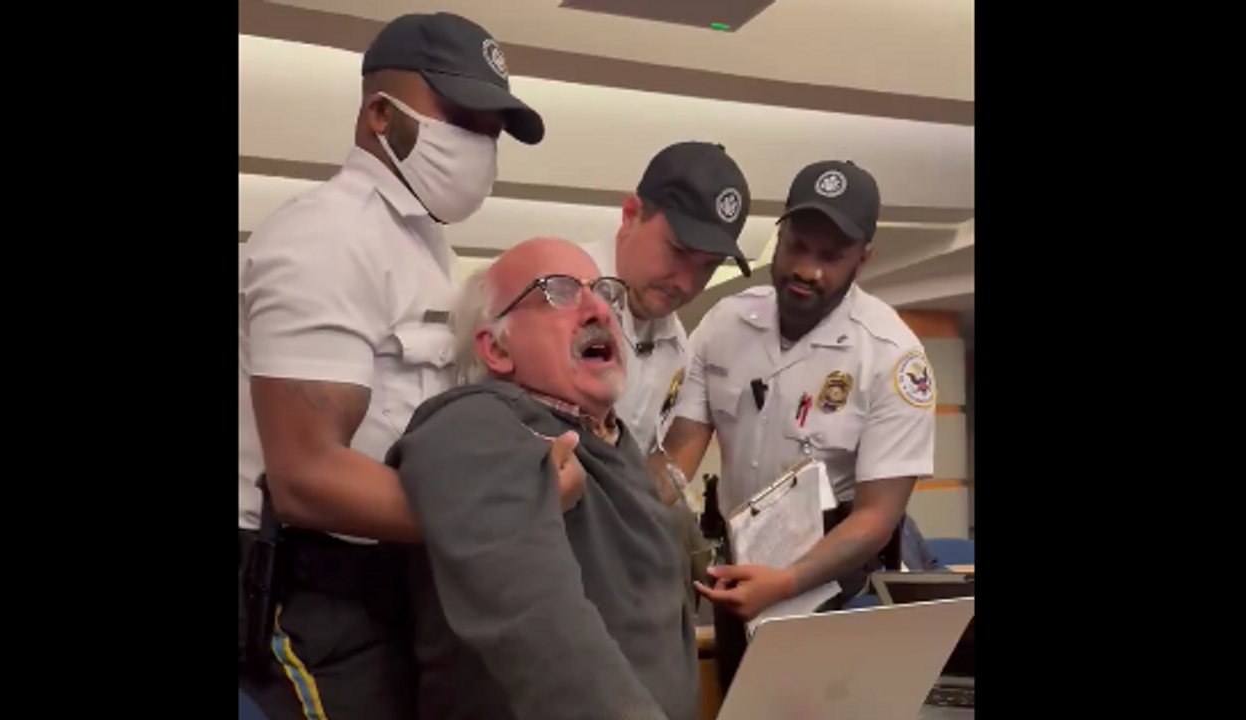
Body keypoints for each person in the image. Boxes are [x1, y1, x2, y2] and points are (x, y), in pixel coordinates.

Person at [237, 13, 583, 720]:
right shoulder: (328, 237)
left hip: (395, 582)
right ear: (379, 114)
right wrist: (508, 510)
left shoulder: (424, 251)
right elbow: (306, 479)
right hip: (309, 591)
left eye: (492, 131)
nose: (480, 147)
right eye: (461, 119)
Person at [388, 237, 699, 720]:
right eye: (558, 292)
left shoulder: (615, 442)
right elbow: (534, 618)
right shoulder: (476, 425)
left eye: (604, 292)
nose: (600, 309)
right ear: (496, 348)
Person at [655, 160, 937, 690]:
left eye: (830, 257)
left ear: (863, 258)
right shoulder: (726, 323)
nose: (807, 270)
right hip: (741, 573)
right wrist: (617, 514)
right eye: (796, 247)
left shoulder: (891, 355)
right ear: (778, 236)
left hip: (833, 587)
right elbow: (677, 457)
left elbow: (877, 517)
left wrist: (785, 582)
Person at [585, 140, 752, 615]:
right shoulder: (559, 293)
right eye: (676, 251)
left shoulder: (676, 344)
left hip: (610, 578)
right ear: (631, 215)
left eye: (707, 267)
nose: (686, 282)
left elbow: (643, 462)